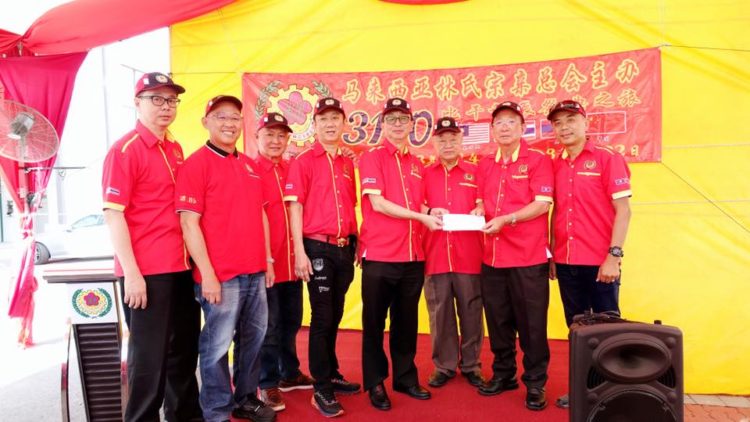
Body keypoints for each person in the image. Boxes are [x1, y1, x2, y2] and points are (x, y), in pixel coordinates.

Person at [102, 72, 202, 422]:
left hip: (181, 267)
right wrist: (132, 274)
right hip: (147, 273)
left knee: (184, 352)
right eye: (156, 99)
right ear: (137, 102)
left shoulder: (174, 148)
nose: (165, 106)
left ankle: (186, 416)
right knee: (148, 361)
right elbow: (113, 215)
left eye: (171, 100)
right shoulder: (124, 151)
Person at [176, 95, 276, 422]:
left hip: (255, 271)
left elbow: (261, 215)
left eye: (234, 117)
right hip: (220, 277)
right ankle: (217, 411)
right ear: (206, 122)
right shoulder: (195, 165)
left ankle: (246, 399)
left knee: (254, 340)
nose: (229, 123)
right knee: (216, 346)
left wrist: (268, 261)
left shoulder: (249, 165)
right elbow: (188, 223)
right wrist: (207, 274)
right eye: (221, 117)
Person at [358, 97, 443, 411]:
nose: (397, 125)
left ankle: (405, 378)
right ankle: (375, 382)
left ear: (411, 125)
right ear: (382, 124)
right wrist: (421, 216)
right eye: (391, 119)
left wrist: (431, 212)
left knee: (406, 322)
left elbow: (418, 204)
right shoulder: (372, 158)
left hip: (412, 257)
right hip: (380, 255)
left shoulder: (417, 164)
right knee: (374, 323)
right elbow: (378, 203)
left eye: (403, 119)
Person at [546, 100, 632, 409]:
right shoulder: (555, 164)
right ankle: (584, 389)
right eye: (558, 123)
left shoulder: (608, 158)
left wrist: (614, 257)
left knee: (608, 330)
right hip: (566, 262)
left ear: (585, 123)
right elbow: (556, 211)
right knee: (578, 330)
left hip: (600, 263)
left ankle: (615, 392)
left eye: (570, 120)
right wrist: (552, 253)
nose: (564, 127)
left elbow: (624, 210)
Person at [472, 101, 554, 411]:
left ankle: (535, 383)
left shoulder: (538, 160)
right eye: (499, 123)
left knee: (532, 324)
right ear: (492, 129)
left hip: (528, 258)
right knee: (498, 321)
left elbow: (542, 204)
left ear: (523, 127)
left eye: (511, 122)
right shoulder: (485, 164)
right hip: (492, 258)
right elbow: (481, 200)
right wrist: (479, 208)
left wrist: (507, 219)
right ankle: (503, 374)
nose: (505, 127)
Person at [284, 97, 361, 418]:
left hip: (344, 248)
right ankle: (322, 389)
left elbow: (350, 206)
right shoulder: (303, 161)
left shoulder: (347, 163)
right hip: (316, 248)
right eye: (323, 119)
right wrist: (299, 251)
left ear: (344, 124)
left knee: (336, 314)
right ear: (314, 125)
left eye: (335, 119)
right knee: (322, 316)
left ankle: (331, 373)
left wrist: (356, 241)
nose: (330, 124)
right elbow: (295, 207)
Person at [255, 112, 314, 412]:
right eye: (269, 135)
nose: (276, 141)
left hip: (293, 263)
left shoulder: (293, 168)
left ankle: (289, 372)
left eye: (281, 135)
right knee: (269, 327)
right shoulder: (250, 170)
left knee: (292, 321)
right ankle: (267, 383)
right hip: (266, 264)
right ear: (257, 137)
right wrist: (264, 258)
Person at [421, 117, 485, 389]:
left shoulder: (477, 172)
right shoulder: (423, 174)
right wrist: (427, 211)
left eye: (453, 139)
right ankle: (444, 365)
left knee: (472, 311)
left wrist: (482, 209)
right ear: (434, 143)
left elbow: (487, 203)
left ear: (461, 141)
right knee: (440, 313)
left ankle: (471, 364)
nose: (448, 144)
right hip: (435, 254)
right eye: (442, 139)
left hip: (469, 255)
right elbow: (414, 205)